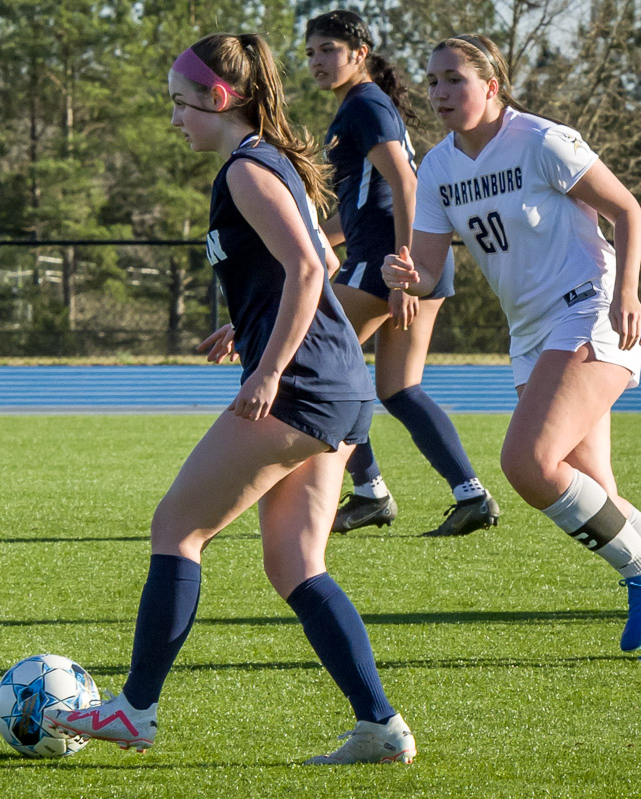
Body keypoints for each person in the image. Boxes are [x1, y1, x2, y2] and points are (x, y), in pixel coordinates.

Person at [43, 33, 416, 764]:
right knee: (296, 564)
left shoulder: (246, 169)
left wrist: (270, 366)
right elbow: (325, 258)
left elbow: (310, 268)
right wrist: (246, 321)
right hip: (339, 385)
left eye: (180, 105)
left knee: (177, 527)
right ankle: (380, 725)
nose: (174, 119)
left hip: (303, 386)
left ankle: (135, 711)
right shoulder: (269, 163)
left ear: (219, 100)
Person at [383, 34, 641, 652]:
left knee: (527, 463)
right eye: (434, 82)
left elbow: (629, 211)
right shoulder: (440, 166)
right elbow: (424, 262)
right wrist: (404, 276)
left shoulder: (541, 140)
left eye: (455, 80)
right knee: (593, 489)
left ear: (491, 85)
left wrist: (627, 293)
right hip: (529, 331)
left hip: (589, 309)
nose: (440, 93)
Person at [305, 10, 499, 537]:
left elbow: (407, 187)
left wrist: (404, 274)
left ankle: (369, 491)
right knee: (398, 388)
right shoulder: (365, 106)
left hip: (388, 261)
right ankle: (470, 494)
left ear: (359, 53)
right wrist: (321, 236)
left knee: (315, 360)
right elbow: (369, 199)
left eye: (328, 49)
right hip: (404, 258)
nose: (317, 61)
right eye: (311, 52)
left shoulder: (364, 105)